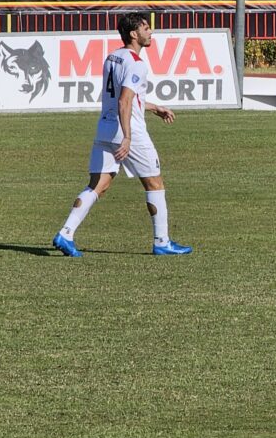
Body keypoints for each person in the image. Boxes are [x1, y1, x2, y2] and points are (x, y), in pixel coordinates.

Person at [51, 13, 192, 258]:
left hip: (105, 127)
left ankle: (65, 233)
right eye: (146, 28)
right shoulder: (136, 62)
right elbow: (125, 101)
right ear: (133, 34)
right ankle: (162, 242)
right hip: (129, 131)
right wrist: (127, 137)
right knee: (154, 183)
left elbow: (125, 98)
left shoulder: (113, 57)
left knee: (98, 185)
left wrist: (154, 107)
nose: (151, 32)